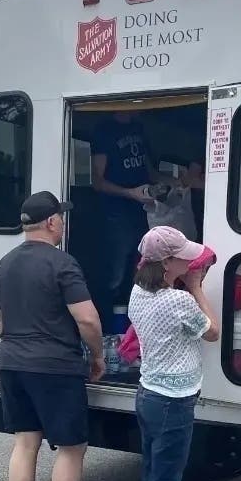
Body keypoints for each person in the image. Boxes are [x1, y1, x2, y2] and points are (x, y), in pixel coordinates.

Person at [0, 191, 106, 481]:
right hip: (54, 365)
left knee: (26, 442)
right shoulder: (62, 264)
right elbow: (86, 318)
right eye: (61, 218)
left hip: (11, 362)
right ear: (53, 222)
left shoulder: (4, 264)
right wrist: (98, 355)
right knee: (71, 447)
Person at [115, 226, 220, 481]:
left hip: (148, 396)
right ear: (168, 263)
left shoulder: (138, 294)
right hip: (175, 403)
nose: (190, 262)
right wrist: (197, 287)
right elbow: (213, 333)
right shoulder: (179, 302)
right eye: (183, 258)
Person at [92, 111, 158, 328]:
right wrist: (130, 193)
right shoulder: (104, 131)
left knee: (140, 269)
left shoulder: (139, 128)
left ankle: (134, 329)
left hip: (141, 211)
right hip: (115, 214)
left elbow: (150, 172)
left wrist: (169, 185)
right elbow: (98, 182)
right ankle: (108, 331)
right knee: (115, 274)